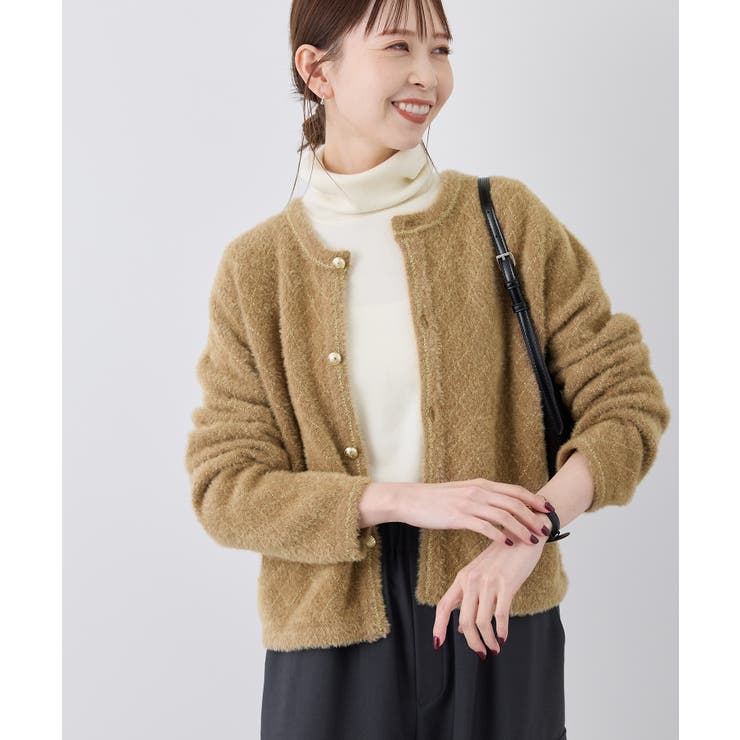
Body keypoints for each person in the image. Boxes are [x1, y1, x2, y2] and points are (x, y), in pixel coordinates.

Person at [184, 1, 671, 738]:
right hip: (329, 643)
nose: (427, 75)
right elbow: (225, 488)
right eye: (398, 47)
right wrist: (406, 501)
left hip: (498, 613)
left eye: (440, 49)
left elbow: (626, 405)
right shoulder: (258, 269)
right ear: (317, 70)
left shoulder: (507, 220)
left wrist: (529, 535)